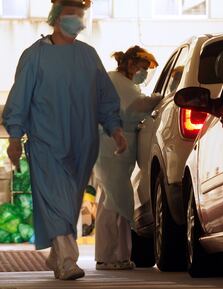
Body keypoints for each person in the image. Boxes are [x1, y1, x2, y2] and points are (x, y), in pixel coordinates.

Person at [2, 0, 127, 280]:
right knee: (56, 198)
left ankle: (57, 252)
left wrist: (115, 128)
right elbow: (19, 99)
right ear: (57, 18)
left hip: (83, 142)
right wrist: (14, 137)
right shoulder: (34, 56)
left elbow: (105, 97)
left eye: (81, 17)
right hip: (46, 141)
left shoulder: (88, 55)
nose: (79, 22)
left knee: (69, 202)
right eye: (73, 16)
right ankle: (68, 260)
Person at [94, 45, 161, 270]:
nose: (143, 73)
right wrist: (157, 100)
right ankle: (108, 256)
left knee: (113, 200)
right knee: (116, 200)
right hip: (112, 146)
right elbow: (135, 108)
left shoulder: (123, 83)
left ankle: (118, 256)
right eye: (142, 68)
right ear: (131, 64)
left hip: (117, 148)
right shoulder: (116, 82)